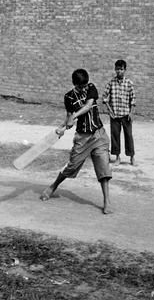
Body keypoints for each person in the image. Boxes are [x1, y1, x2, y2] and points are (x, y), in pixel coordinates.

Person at [40, 68, 112, 214]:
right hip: (82, 138)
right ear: (74, 84)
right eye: (80, 86)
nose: (84, 88)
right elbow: (69, 118)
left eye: (85, 85)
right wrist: (62, 128)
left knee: (104, 167)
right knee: (71, 167)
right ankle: (53, 186)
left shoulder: (91, 88)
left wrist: (74, 116)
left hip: (99, 135)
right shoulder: (69, 97)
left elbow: (88, 106)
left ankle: (107, 201)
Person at [102, 59, 136, 165]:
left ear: (125, 70)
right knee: (115, 135)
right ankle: (117, 157)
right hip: (115, 115)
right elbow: (104, 97)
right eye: (117, 69)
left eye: (121, 69)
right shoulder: (111, 83)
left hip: (126, 115)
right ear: (115, 70)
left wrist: (131, 112)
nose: (119, 71)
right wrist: (109, 110)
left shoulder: (129, 83)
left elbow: (133, 99)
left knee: (128, 135)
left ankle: (132, 157)